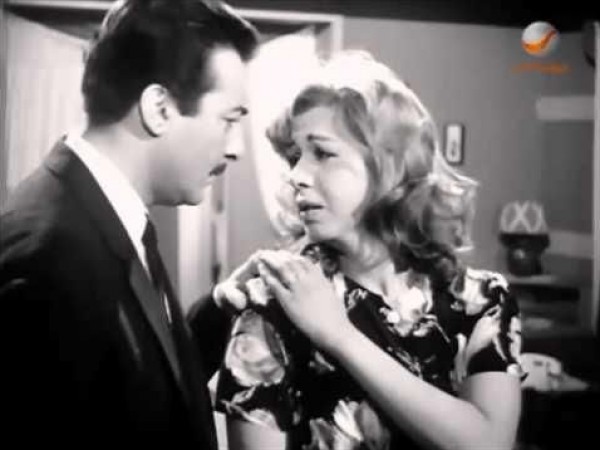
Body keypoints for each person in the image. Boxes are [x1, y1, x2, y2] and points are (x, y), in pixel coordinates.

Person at [214, 51, 523, 450]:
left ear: (388, 167)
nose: (296, 176)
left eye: (322, 153)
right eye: (294, 157)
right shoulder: (275, 299)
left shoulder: (480, 301)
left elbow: (490, 444)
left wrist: (340, 336)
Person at [0, 1, 257, 448]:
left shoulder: (107, 215)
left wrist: (218, 311)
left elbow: (128, 391)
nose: (236, 148)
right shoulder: (47, 257)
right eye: (228, 120)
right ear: (159, 108)